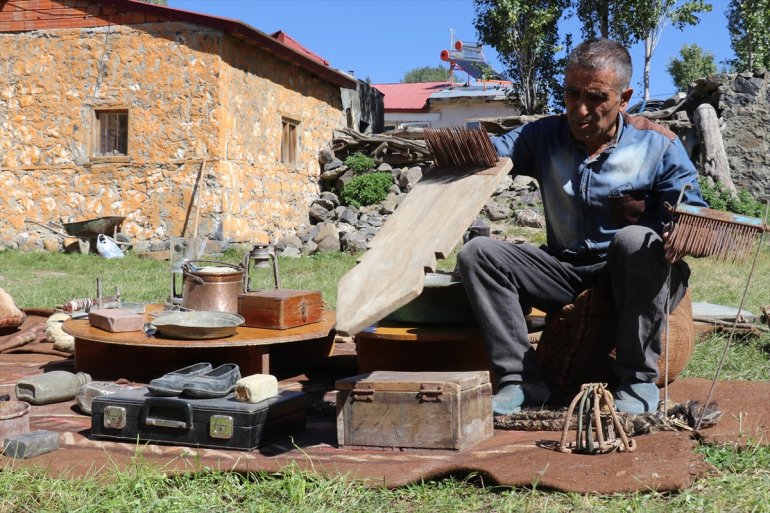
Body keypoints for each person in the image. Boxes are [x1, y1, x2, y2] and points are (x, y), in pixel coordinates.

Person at [456, 38, 707, 416]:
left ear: (624, 98)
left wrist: (684, 231)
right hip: (565, 269)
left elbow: (693, 208)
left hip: (634, 274)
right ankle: (521, 382)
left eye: (596, 98)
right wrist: (461, 152)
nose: (580, 109)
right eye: (572, 94)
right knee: (480, 254)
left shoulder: (658, 146)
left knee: (635, 240)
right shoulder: (542, 137)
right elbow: (496, 150)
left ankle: (637, 379)